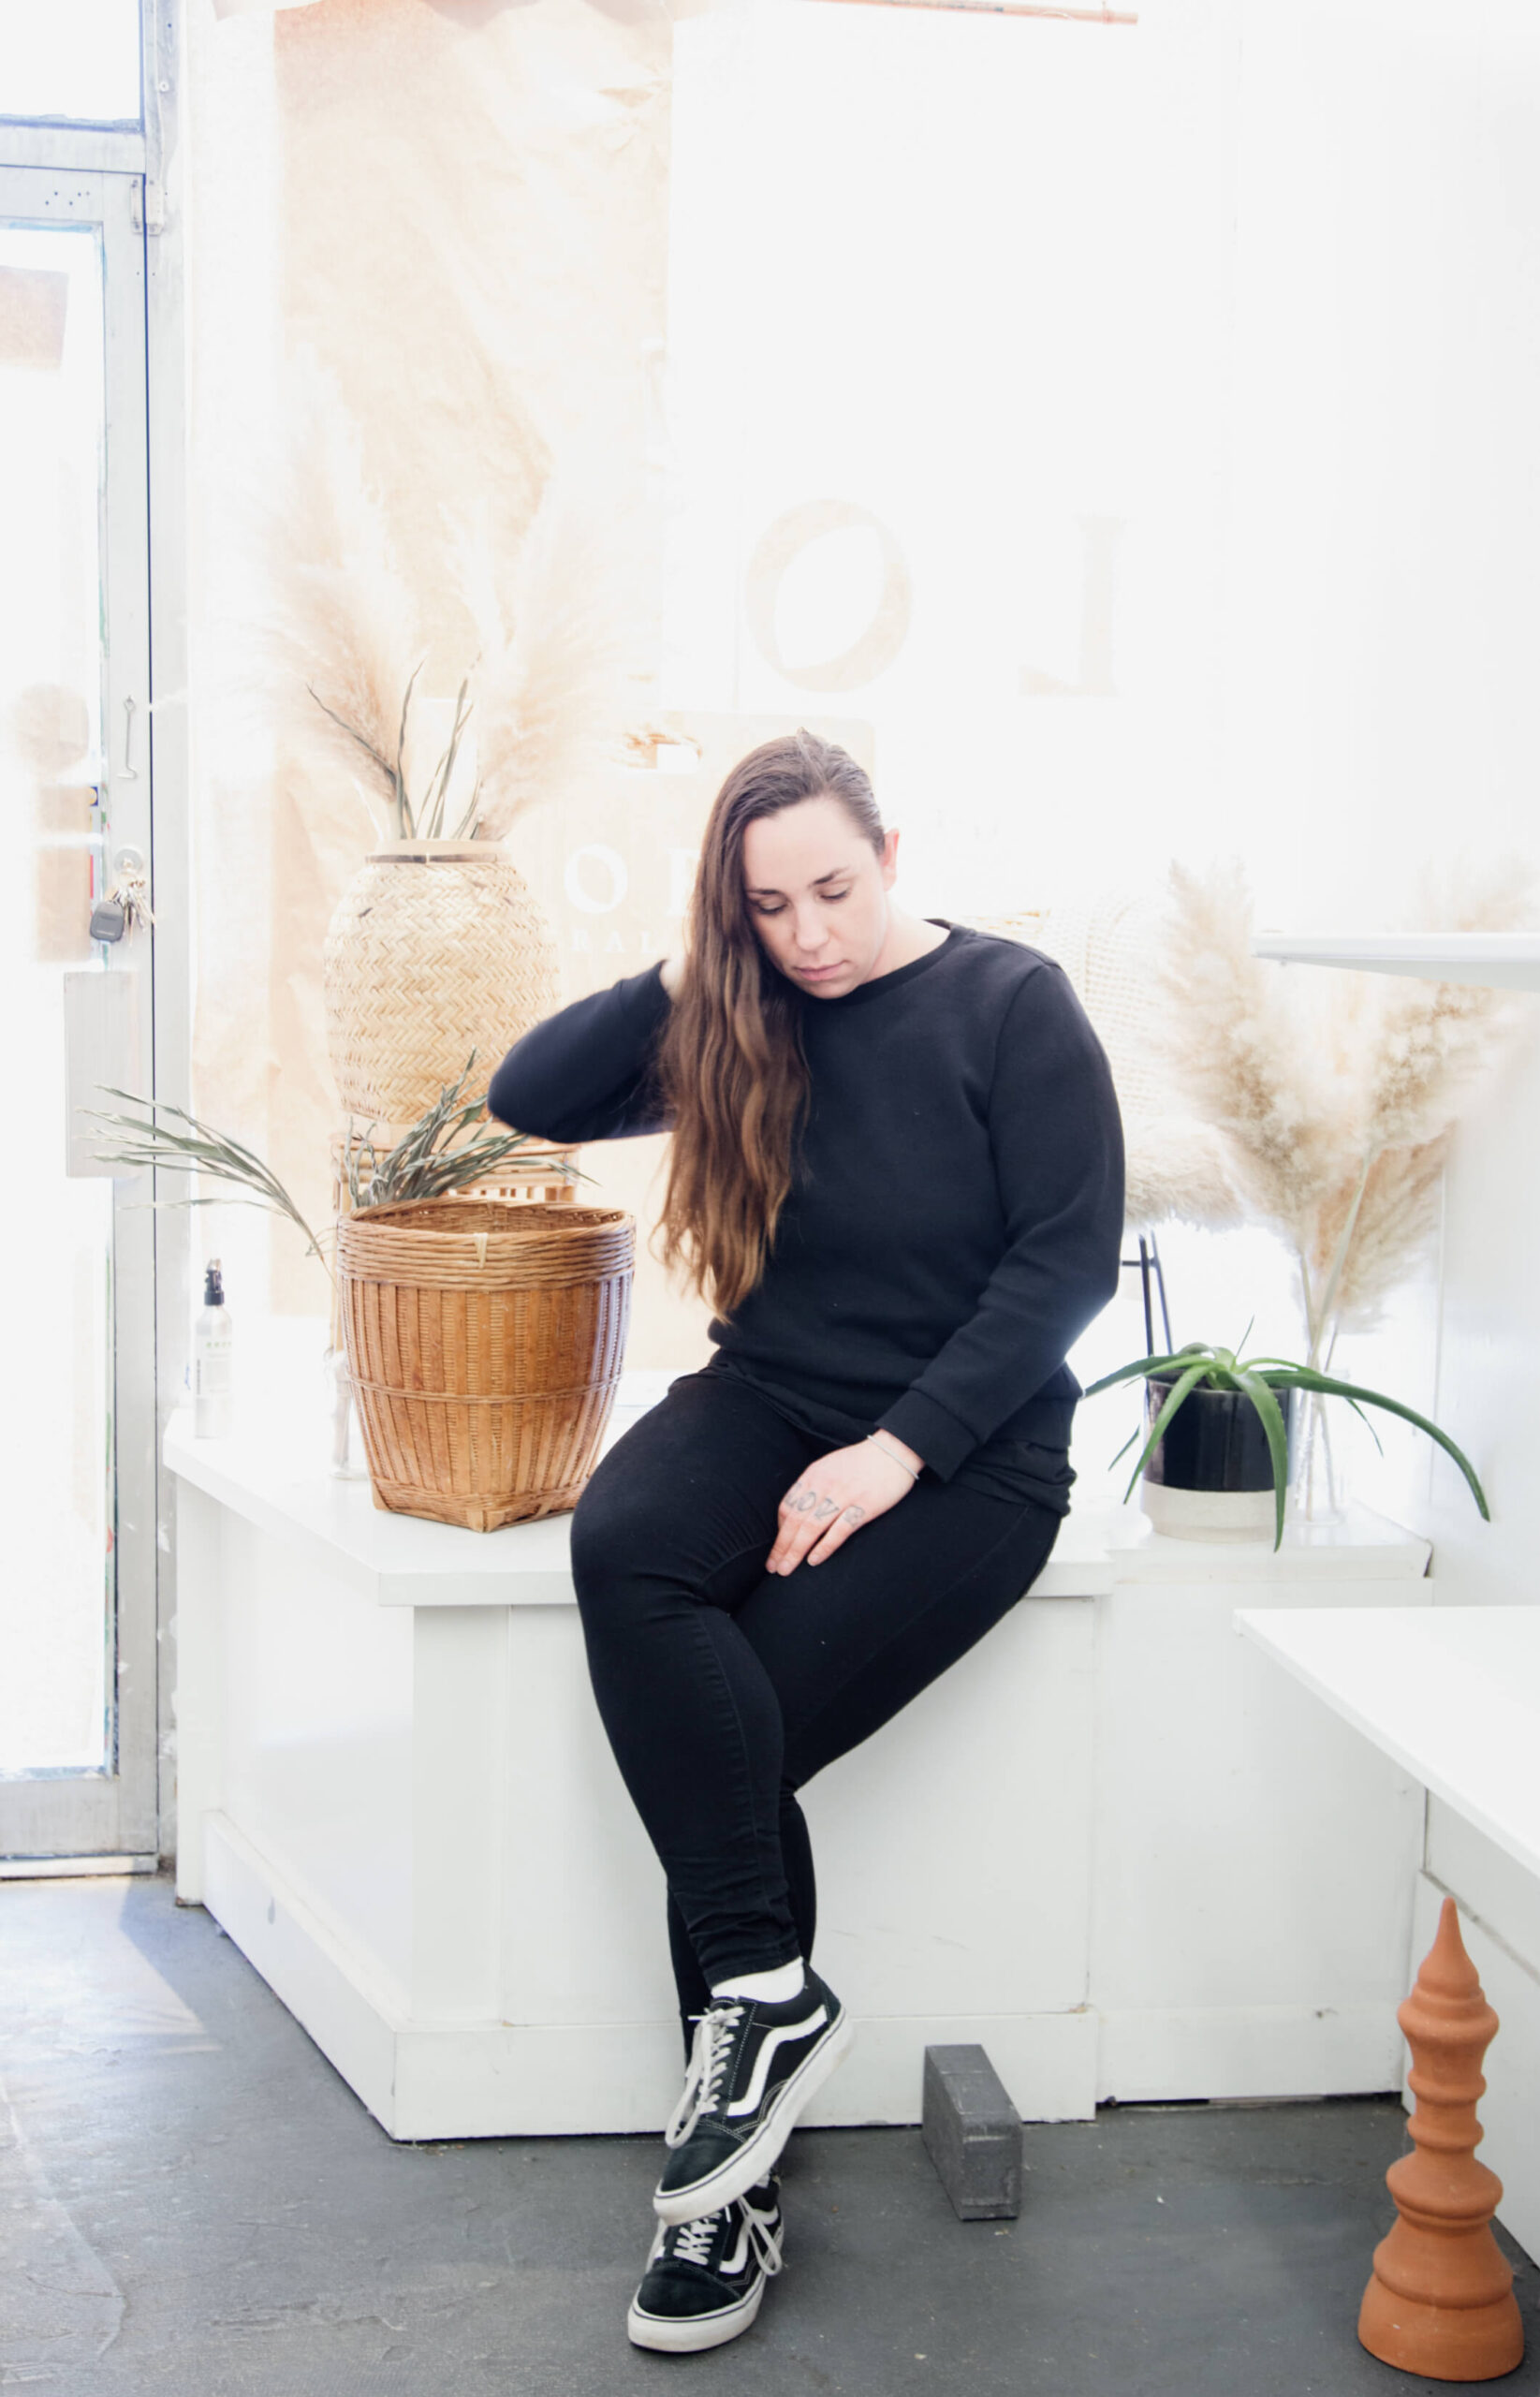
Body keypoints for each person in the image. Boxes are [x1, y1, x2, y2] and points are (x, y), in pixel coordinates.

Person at [486, 728, 1125, 2355]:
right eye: (769, 905)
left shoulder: (1012, 1006)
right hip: (774, 1393)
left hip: (971, 1453)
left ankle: (721, 2203)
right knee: (625, 1541)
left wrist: (899, 1451)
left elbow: (1063, 1264)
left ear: (894, 854)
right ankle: (766, 2017)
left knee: (732, 1729)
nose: (812, 933)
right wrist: (701, 962)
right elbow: (528, 1094)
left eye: (833, 888)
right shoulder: (747, 1005)